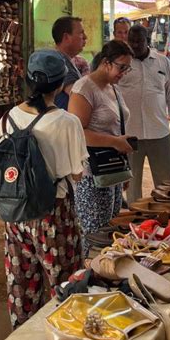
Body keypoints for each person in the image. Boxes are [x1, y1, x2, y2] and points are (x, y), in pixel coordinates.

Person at [0, 49, 87, 328]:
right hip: (53, 213)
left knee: (22, 281)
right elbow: (77, 174)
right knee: (64, 280)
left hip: (16, 212)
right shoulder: (67, 122)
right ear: (60, 85)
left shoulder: (6, 118)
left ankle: (24, 339)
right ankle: (64, 335)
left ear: (28, 81)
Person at [68, 40, 133, 249]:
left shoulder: (113, 88)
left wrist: (124, 165)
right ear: (106, 62)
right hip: (91, 172)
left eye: (127, 68)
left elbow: (117, 127)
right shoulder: (84, 88)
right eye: (121, 67)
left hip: (111, 168)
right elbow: (77, 132)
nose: (124, 72)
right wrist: (115, 142)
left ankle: (104, 274)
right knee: (94, 233)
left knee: (109, 228)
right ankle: (88, 276)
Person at [118, 24, 170, 203]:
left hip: (159, 132)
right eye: (131, 41)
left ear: (147, 41)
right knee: (131, 185)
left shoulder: (163, 62)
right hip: (129, 136)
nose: (135, 45)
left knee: (167, 182)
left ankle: (167, 220)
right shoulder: (122, 64)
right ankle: (136, 223)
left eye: (139, 41)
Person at [52, 16, 87, 109]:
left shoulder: (65, 60)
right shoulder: (60, 62)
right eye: (81, 33)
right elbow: (78, 95)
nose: (85, 37)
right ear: (66, 37)